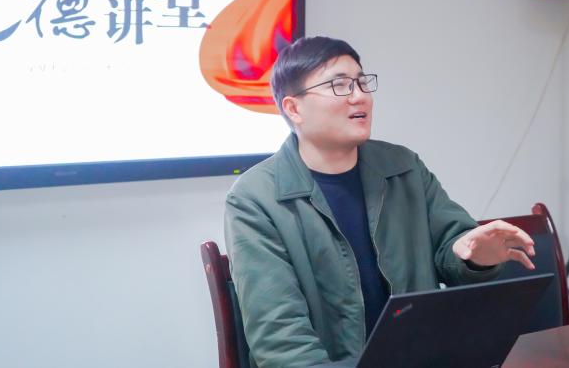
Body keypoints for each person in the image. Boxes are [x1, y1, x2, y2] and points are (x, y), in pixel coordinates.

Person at [224, 36, 536, 368]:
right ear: (294, 108)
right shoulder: (255, 199)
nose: (359, 96)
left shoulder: (403, 167)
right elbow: (281, 343)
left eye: (362, 82)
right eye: (339, 85)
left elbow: (453, 248)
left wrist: (475, 256)